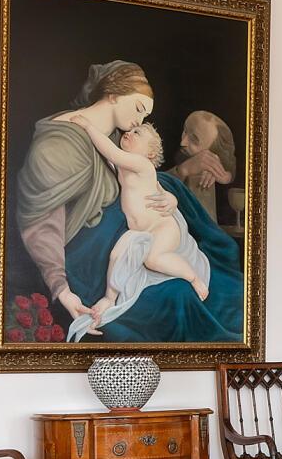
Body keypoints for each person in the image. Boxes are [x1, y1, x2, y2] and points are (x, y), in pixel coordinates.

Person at [10, 62, 157, 327]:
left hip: (121, 252)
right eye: (138, 108)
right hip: (84, 265)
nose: (140, 121)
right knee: (171, 301)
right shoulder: (58, 147)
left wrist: (169, 197)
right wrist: (62, 289)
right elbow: (42, 224)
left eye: (145, 116)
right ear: (113, 94)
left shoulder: (116, 137)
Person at [65, 121, 211, 341]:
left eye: (137, 133)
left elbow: (111, 152)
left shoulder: (141, 164)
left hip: (161, 228)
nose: (129, 133)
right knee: (117, 255)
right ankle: (109, 298)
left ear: (149, 153)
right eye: (130, 130)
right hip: (140, 231)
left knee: (153, 259)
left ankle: (193, 277)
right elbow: (114, 161)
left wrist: (88, 127)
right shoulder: (126, 165)